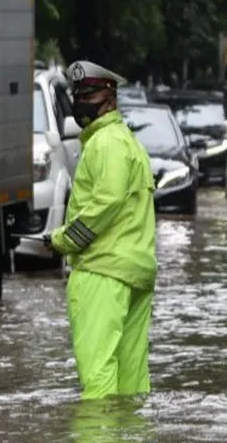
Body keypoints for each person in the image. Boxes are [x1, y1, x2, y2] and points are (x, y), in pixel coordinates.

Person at [45, 60, 157, 400]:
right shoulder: (127, 142)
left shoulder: (105, 143)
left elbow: (105, 205)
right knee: (131, 380)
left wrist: (61, 240)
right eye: (78, 94)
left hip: (101, 271)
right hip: (134, 271)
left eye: (89, 94)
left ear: (110, 98)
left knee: (98, 378)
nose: (81, 102)